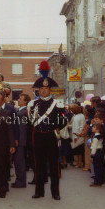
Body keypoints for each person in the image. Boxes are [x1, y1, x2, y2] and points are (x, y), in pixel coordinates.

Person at [27, 61, 67, 200]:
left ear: (50, 89)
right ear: (38, 90)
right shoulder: (33, 104)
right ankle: (39, 191)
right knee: (38, 164)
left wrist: (55, 126)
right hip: (38, 135)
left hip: (51, 136)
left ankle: (55, 192)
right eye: (41, 89)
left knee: (54, 165)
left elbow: (64, 120)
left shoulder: (57, 104)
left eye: (46, 89)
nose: (43, 91)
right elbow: (30, 120)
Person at [11, 93, 30, 188]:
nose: (18, 100)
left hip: (21, 139)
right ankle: (19, 179)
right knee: (17, 161)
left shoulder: (24, 112)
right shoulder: (19, 110)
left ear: (25, 101)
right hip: (18, 139)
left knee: (20, 161)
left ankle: (21, 181)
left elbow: (15, 116)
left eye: (20, 99)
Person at [70, 104, 86, 168]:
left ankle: (79, 163)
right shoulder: (82, 115)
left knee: (78, 151)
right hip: (81, 135)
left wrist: (76, 137)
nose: (71, 111)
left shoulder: (76, 117)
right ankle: (80, 162)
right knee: (80, 150)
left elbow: (76, 127)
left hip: (77, 135)